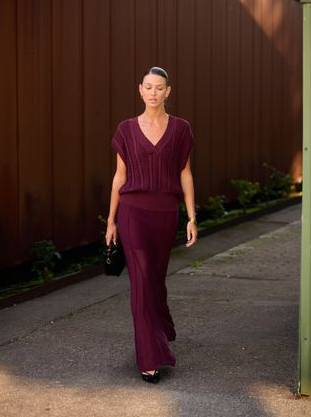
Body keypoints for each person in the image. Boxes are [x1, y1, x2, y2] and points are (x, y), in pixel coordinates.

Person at [105, 66, 197, 383]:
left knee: (155, 282)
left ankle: (161, 329)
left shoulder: (181, 129)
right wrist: (111, 221)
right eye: (148, 87)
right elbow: (120, 176)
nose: (153, 92)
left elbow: (185, 173)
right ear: (140, 90)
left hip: (165, 214)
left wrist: (191, 215)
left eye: (160, 87)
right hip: (132, 212)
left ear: (168, 91)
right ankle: (150, 359)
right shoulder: (126, 130)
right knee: (141, 284)